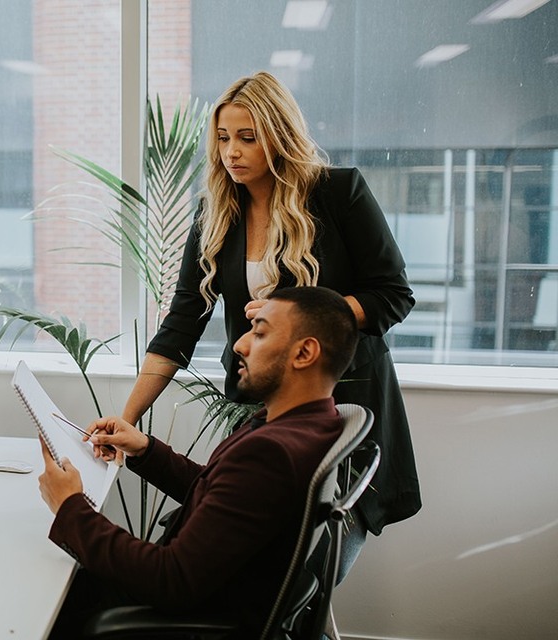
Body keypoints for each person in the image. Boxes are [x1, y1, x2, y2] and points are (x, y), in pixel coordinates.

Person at [124, 71, 421, 555]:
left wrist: (301, 315)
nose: (231, 152)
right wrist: (128, 419)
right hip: (264, 409)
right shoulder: (214, 214)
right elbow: (181, 324)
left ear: (279, 136)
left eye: (247, 137)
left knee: (303, 552)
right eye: (223, 138)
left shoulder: (339, 193)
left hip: (340, 403)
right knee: (236, 546)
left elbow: (393, 294)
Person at [39, 286, 359, 637]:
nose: (240, 345)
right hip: (211, 593)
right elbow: (220, 490)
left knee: (43, 595)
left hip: (182, 617)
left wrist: (70, 506)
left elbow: (170, 579)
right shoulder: (308, 424)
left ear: (304, 352)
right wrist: (144, 448)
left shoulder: (272, 452)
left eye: (260, 333)